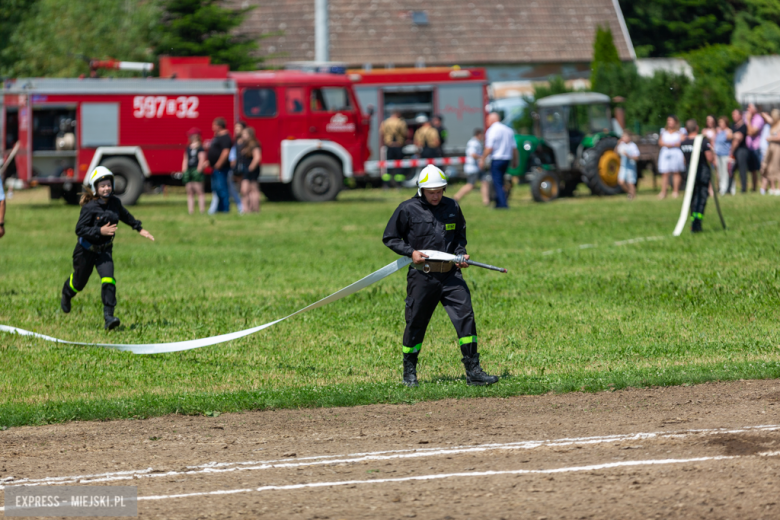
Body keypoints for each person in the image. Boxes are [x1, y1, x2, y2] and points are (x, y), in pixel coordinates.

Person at [382, 164, 499, 387]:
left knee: (466, 318)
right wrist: (411, 252)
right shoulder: (407, 209)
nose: (436, 196)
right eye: (431, 192)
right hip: (422, 277)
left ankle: (473, 371)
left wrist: (461, 255)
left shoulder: (453, 206)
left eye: (439, 191)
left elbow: (459, 238)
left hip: (451, 276)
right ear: (421, 190)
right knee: (415, 323)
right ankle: (409, 371)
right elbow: (390, 238)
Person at [59, 167, 155, 329]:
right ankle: (67, 293)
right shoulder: (89, 207)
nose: (106, 188)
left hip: (104, 250)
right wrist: (99, 230)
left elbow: (125, 215)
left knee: (108, 280)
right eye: (102, 186)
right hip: (85, 251)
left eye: (108, 185)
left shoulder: (115, 203)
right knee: (79, 283)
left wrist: (139, 228)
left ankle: (109, 317)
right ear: (95, 188)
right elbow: (79, 230)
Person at [680, 120, 714, 233]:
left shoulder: (683, 143)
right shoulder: (703, 142)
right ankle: (697, 222)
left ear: (686, 129)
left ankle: (693, 221)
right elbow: (710, 158)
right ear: (697, 128)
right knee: (701, 197)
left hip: (689, 174)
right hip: (702, 173)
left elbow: (684, 160)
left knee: (692, 198)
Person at [479, 112, 518, 209]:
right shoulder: (508, 130)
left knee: (497, 182)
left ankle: (502, 204)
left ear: (492, 120)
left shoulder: (492, 130)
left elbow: (489, 147)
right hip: (506, 159)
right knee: (501, 181)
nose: (487, 122)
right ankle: (498, 202)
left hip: (497, 159)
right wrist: (515, 160)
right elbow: (514, 148)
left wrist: (482, 158)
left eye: (488, 119)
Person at [453, 128, 489, 205]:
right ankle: (456, 197)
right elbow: (472, 154)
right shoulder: (473, 143)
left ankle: (486, 201)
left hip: (477, 167)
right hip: (473, 168)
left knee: (484, 182)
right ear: (479, 134)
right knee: (470, 185)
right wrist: (482, 157)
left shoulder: (476, 142)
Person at [207, 117, 232, 213]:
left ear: (219, 126)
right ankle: (220, 208)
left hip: (221, 168)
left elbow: (226, 152)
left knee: (222, 188)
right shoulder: (217, 136)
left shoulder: (225, 137)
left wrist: (219, 163)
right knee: (216, 189)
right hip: (215, 168)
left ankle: (225, 209)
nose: (212, 127)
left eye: (214, 125)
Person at [657, 115, 685, 199]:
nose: (669, 122)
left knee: (676, 172)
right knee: (665, 173)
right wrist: (669, 144)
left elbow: (681, 141)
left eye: (671, 121)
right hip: (665, 153)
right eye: (668, 121)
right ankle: (663, 192)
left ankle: (675, 191)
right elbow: (661, 142)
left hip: (676, 153)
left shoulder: (680, 131)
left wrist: (671, 144)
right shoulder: (663, 131)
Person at [378, 110, 408, 188]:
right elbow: (404, 133)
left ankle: (386, 185)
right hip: (398, 145)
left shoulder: (385, 122)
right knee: (399, 165)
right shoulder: (401, 122)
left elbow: (382, 132)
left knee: (388, 165)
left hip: (389, 145)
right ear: (397, 114)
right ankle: (399, 185)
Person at [181, 128, 207, 214]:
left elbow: (202, 158)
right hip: (189, 170)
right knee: (190, 191)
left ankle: (202, 210)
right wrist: (184, 170)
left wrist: (199, 170)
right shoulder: (188, 147)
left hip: (196, 170)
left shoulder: (200, 147)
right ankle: (191, 211)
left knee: (199, 191)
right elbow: (185, 158)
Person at [239, 127, 262, 213]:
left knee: (253, 190)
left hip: (252, 170)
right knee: (244, 190)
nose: (243, 135)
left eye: (245, 134)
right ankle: (246, 209)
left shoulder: (254, 144)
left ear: (250, 135)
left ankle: (256, 209)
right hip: (245, 170)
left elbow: (257, 157)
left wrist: (251, 167)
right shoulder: (245, 145)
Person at [745, 103, 764, 191]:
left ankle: (763, 187)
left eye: (750, 108)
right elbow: (747, 131)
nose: (747, 109)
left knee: (760, 169)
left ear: (755, 110)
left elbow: (752, 132)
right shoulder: (748, 118)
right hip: (749, 147)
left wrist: (748, 121)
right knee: (752, 170)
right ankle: (754, 187)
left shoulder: (758, 119)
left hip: (757, 147)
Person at [760, 108, 780, 196]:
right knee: (770, 168)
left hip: (777, 148)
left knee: (777, 167)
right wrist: (761, 111)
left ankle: (778, 188)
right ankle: (772, 188)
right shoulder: (774, 124)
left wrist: (770, 138)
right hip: (771, 148)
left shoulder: (779, 125)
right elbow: (768, 119)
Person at [616, 132, 640, 200]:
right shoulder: (622, 145)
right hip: (623, 166)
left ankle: (633, 196)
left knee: (630, 183)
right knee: (621, 182)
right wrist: (617, 144)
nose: (623, 138)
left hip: (630, 166)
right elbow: (616, 153)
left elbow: (637, 157)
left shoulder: (633, 146)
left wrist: (628, 156)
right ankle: (630, 194)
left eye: (624, 137)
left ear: (629, 138)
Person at [714, 116, 733, 195]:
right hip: (719, 154)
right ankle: (722, 188)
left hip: (726, 154)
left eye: (722, 122)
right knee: (720, 172)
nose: (720, 124)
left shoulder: (728, 131)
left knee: (726, 172)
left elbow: (730, 137)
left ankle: (727, 188)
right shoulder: (719, 132)